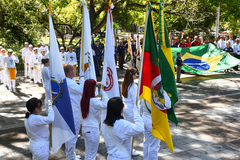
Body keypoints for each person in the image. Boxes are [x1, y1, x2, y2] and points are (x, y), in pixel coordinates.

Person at [81, 79, 108, 160]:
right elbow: (106, 104)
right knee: (92, 155)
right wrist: (104, 93)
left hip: (85, 128)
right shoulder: (94, 101)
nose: (95, 88)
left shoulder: (82, 100)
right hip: (92, 129)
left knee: (88, 153)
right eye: (95, 86)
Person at [64, 65, 84, 160]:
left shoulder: (70, 81)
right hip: (72, 110)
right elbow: (81, 90)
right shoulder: (68, 82)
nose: (75, 71)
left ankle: (70, 154)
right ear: (68, 72)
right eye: (73, 70)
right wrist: (83, 78)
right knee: (73, 133)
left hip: (74, 109)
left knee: (73, 133)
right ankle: (70, 156)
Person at [121, 67, 139, 156]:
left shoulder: (124, 83)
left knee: (126, 129)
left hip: (125, 108)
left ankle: (126, 147)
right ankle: (129, 149)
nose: (136, 76)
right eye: (135, 74)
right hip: (131, 110)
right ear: (132, 76)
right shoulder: (133, 86)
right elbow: (135, 100)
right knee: (130, 130)